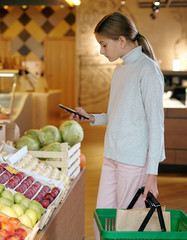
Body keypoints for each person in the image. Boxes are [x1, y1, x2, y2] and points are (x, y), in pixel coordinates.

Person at [68, 12, 165, 239]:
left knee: (127, 224)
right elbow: (115, 115)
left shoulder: (148, 70)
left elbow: (156, 126)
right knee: (103, 217)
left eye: (104, 45)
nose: (102, 51)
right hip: (111, 155)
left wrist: (152, 176)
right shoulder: (120, 71)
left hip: (134, 161)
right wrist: (91, 118)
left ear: (121, 40)